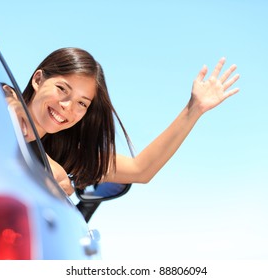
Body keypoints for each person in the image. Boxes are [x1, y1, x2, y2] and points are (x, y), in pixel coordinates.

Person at [19, 47, 240, 195]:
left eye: (82, 103)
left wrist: (194, 109)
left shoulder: (68, 152)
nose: (67, 107)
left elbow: (140, 170)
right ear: (38, 79)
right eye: (62, 89)